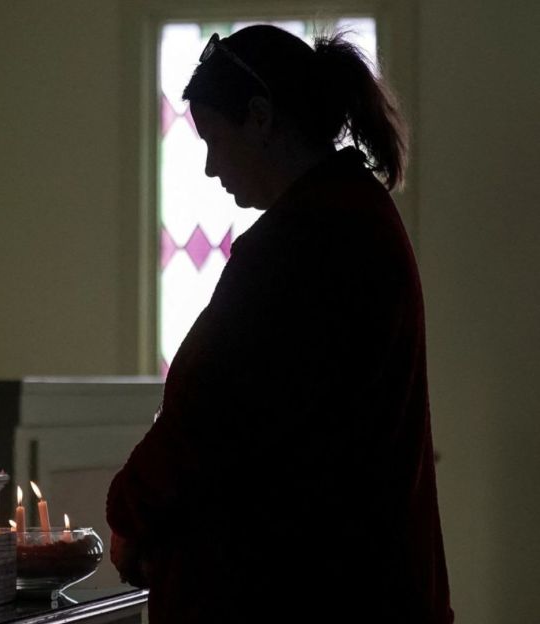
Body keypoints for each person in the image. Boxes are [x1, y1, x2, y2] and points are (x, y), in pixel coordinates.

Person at [106, 25, 452, 623]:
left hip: (302, 592)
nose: (212, 167)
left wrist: (130, 515)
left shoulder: (306, 242)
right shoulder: (354, 215)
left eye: (214, 139)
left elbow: (211, 415)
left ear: (261, 118)